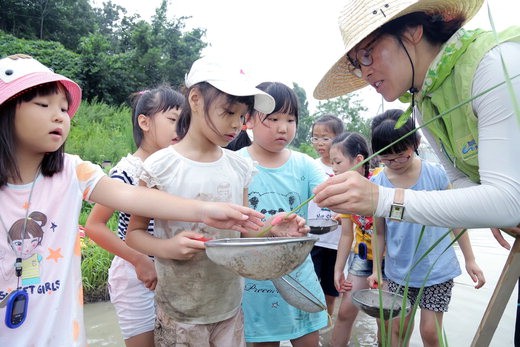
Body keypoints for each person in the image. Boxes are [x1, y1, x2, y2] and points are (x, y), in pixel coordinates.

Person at [0, 54, 265, 347]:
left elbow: (133, 198)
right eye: (44, 105)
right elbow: (110, 225)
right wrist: (142, 258)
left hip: (63, 336)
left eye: (64, 108)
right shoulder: (149, 167)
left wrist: (206, 211)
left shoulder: (73, 171)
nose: (60, 116)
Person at [124, 57, 308, 347]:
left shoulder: (240, 168)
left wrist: (272, 229)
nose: (237, 124)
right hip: (179, 311)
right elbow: (133, 235)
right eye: (228, 112)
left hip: (230, 307)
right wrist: (167, 247)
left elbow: (245, 232)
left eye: (242, 115)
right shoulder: (160, 167)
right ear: (195, 99)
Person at [312, 0, 520, 246]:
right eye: (358, 65)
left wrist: (382, 200)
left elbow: (508, 201)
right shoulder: (424, 102)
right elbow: (462, 179)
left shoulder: (493, 67)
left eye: (367, 54)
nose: (365, 73)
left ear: (412, 31)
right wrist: (487, 208)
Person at [367, 109, 485, 346]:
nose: (395, 163)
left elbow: (456, 220)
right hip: (399, 271)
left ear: (416, 143)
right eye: (387, 159)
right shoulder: (378, 184)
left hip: (437, 269)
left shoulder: (437, 175)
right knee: (398, 330)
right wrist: (376, 270)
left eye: (402, 155)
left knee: (430, 332)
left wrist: (470, 259)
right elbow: (379, 231)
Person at [84, 85, 184, 347]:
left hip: (171, 273)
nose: (180, 129)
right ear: (144, 122)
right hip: (135, 275)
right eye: (173, 120)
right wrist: (139, 260)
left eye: (184, 122)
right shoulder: (126, 171)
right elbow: (94, 225)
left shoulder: (177, 169)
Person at [238, 81, 329, 347]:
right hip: (256, 284)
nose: (283, 127)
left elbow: (326, 194)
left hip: (299, 276)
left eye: (290, 119)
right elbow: (236, 227)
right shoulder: (237, 164)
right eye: (273, 118)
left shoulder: (305, 165)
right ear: (250, 120)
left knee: (309, 340)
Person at [328, 131, 384, 347]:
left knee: (385, 317)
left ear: (359, 160)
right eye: (332, 162)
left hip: (388, 258)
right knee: (345, 311)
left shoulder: (380, 180)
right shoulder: (343, 191)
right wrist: (338, 269)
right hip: (361, 257)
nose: (333, 168)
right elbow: (346, 234)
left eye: (338, 162)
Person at [307, 114, 344, 317]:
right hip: (313, 237)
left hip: (336, 239)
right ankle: (312, 321)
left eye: (325, 138)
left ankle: (328, 321)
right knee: (310, 282)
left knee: (331, 288)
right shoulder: (310, 166)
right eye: (315, 138)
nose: (319, 143)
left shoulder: (346, 168)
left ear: (339, 138)